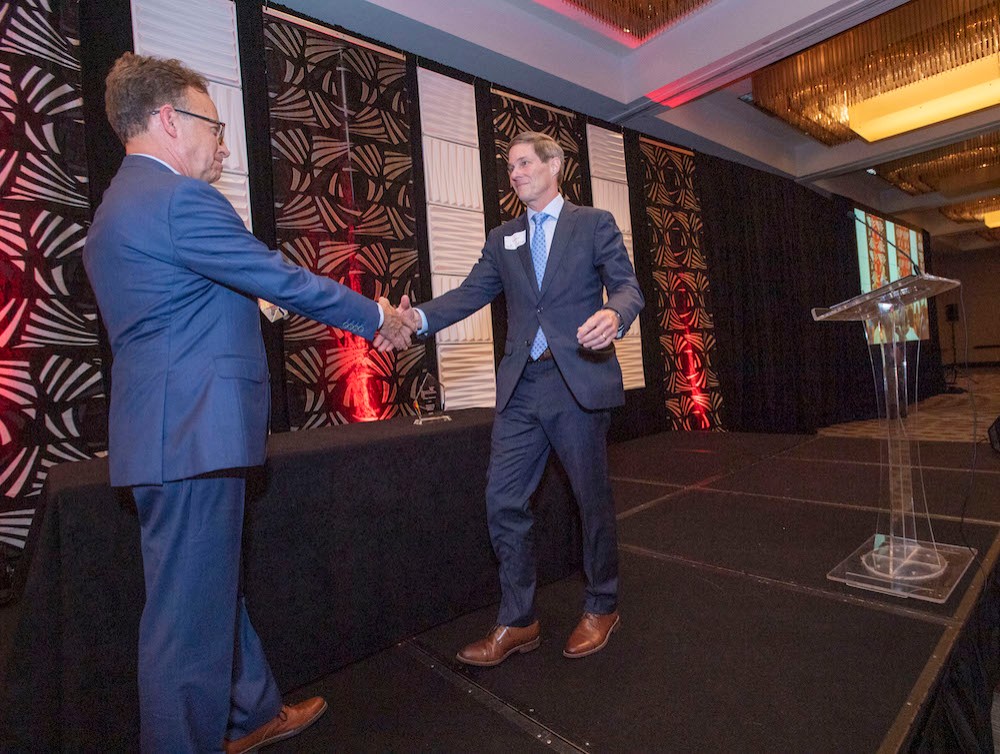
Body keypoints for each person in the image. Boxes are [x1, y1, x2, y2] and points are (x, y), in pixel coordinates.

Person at [83, 53, 413, 753]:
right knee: (185, 636)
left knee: (205, 595)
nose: (224, 144)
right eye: (216, 126)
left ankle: (252, 712)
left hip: (164, 437)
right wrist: (376, 314)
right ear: (171, 120)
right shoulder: (179, 199)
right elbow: (278, 275)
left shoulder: (118, 206)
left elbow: (176, 309)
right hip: (193, 437)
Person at [400, 131, 644, 666]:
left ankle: (603, 604)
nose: (515, 173)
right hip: (521, 386)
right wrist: (415, 318)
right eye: (510, 166)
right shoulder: (502, 238)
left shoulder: (592, 224)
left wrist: (615, 314)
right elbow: (469, 294)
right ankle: (518, 619)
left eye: (525, 163)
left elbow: (628, 288)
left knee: (590, 500)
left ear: (554, 165)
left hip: (575, 379)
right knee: (503, 500)